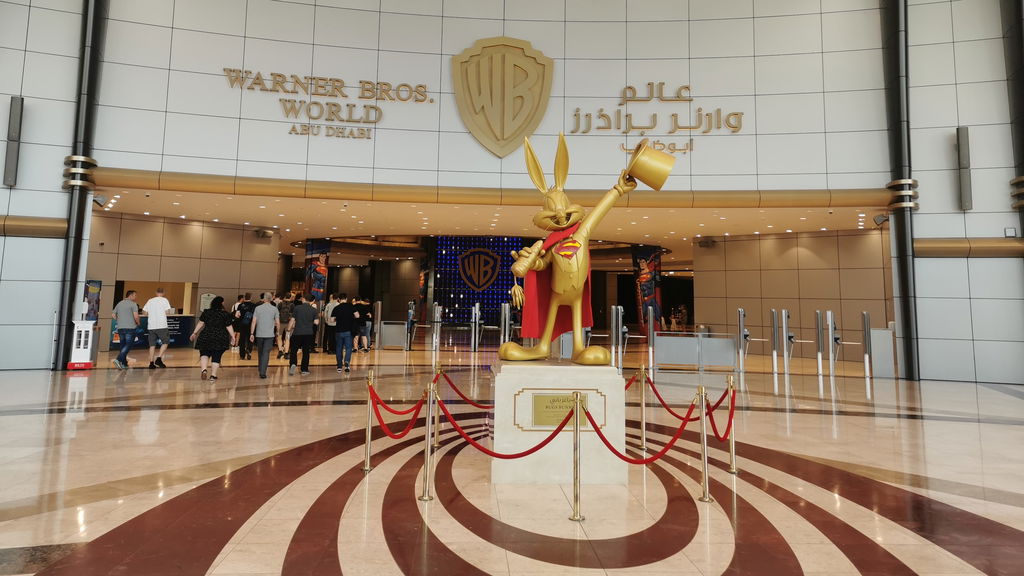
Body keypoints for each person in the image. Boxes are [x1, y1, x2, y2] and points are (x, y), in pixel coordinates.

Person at [189, 296, 234, 381]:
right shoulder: (225, 314)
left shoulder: (206, 312)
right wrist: (233, 337)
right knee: (216, 356)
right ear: (222, 303)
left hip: (206, 335)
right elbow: (229, 326)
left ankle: (204, 370)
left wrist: (194, 333)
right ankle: (213, 376)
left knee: (204, 353)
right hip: (220, 337)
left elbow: (200, 323)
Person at [249, 292, 280, 379]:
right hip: (269, 335)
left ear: (264, 299)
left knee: (260, 352)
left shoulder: (258, 308)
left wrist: (252, 333)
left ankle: (260, 368)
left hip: (259, 334)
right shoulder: (274, 309)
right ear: (271, 299)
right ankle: (263, 372)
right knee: (266, 353)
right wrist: (277, 332)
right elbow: (277, 322)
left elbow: (254, 321)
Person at [142, 287, 174, 369]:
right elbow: (168, 312)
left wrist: (152, 314)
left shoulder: (150, 300)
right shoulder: (165, 300)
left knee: (152, 345)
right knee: (166, 342)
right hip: (162, 325)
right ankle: (159, 359)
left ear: (156, 292)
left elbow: (144, 312)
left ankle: (151, 363)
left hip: (151, 326)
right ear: (163, 293)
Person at [287, 293, 318, 375]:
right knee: (306, 352)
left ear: (304, 299)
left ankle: (293, 364)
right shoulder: (314, 310)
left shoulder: (297, 308)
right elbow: (316, 322)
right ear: (311, 300)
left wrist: (288, 329)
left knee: (294, 350)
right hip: (308, 333)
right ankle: (304, 369)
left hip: (297, 332)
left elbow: (292, 320)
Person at [111, 290, 140, 369]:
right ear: (130, 295)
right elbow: (136, 316)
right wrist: (138, 322)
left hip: (120, 327)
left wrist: (119, 320)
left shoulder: (120, 303)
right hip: (130, 327)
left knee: (122, 345)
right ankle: (118, 359)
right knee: (128, 345)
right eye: (135, 295)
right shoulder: (133, 304)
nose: (136, 297)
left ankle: (124, 363)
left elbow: (113, 314)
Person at [331, 293, 357, 373]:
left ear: (339, 299)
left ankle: (339, 366)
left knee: (339, 348)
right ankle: (347, 363)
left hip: (338, 331)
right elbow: (357, 315)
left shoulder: (336, 308)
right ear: (346, 299)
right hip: (348, 331)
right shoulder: (351, 306)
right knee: (348, 348)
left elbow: (332, 320)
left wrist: (337, 319)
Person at [234, 293, 256, 360]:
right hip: (251, 324)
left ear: (244, 298)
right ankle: (249, 350)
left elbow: (237, 315)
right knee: (251, 338)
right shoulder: (253, 305)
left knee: (242, 339)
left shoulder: (240, 305)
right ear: (251, 298)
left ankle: (242, 355)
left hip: (242, 324)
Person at [276, 292, 294, 359]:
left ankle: (280, 351)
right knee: (287, 338)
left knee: (279, 337)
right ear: (290, 297)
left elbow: (277, 313)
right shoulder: (292, 305)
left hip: (280, 323)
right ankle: (286, 353)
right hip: (288, 324)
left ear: (284, 297)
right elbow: (293, 315)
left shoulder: (280, 304)